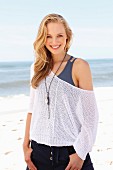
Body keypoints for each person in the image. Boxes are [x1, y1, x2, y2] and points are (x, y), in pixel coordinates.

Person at [23, 13, 98, 170]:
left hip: (70, 153)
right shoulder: (36, 68)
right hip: (38, 153)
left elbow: (91, 117)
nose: (54, 41)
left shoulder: (79, 66)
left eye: (59, 36)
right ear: (42, 39)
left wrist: (80, 154)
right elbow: (32, 110)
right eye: (48, 36)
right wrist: (25, 145)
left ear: (67, 37)